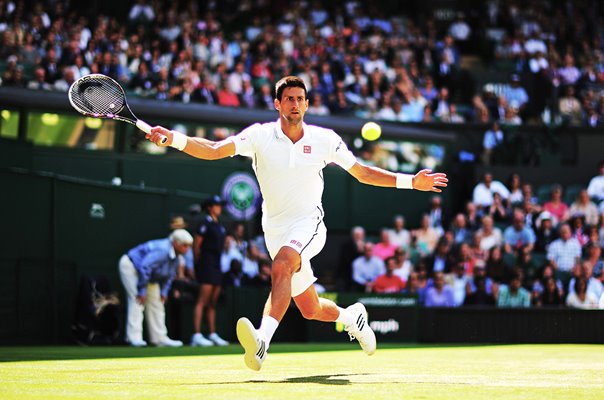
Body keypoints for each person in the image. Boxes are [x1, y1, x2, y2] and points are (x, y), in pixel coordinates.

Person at [146, 76, 448, 371]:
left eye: (301, 99)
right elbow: (213, 150)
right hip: (274, 229)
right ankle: (351, 317)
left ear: (307, 105)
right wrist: (173, 137)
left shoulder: (325, 139)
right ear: (278, 104)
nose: (295, 104)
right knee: (310, 308)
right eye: (289, 99)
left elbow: (363, 173)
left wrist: (412, 182)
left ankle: (262, 341)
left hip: (309, 223)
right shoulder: (259, 135)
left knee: (281, 265)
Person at [118, 229, 193, 347]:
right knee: (138, 300)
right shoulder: (163, 250)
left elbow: (170, 275)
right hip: (131, 266)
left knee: (157, 303)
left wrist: (164, 292)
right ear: (175, 243)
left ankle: (159, 338)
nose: (187, 249)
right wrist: (142, 290)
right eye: (184, 246)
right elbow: (145, 267)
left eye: (188, 246)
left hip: (150, 275)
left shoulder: (177, 257)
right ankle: (134, 338)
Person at [190, 195, 230, 347]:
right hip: (206, 264)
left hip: (217, 265)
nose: (219, 207)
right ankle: (197, 335)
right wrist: (197, 265)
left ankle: (212, 334)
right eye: (217, 205)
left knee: (212, 302)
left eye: (220, 205)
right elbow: (197, 246)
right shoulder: (204, 224)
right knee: (202, 300)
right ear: (209, 207)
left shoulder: (219, 225)